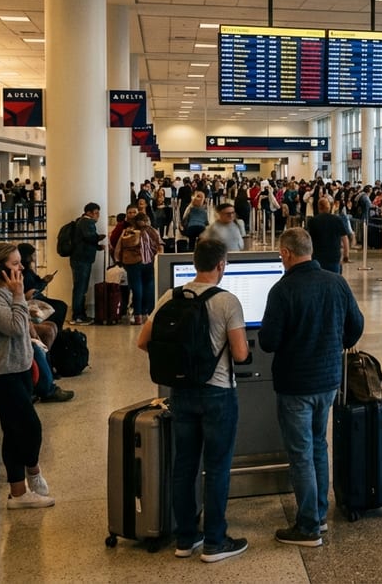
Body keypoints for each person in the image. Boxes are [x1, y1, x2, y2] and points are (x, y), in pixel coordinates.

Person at [134, 239, 250, 561]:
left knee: (184, 466)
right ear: (221, 265)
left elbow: (143, 341)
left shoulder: (170, 297)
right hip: (218, 395)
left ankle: (186, 539)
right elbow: (240, 353)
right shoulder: (228, 301)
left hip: (181, 393)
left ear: (195, 263)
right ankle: (215, 541)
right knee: (216, 468)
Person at [259, 229, 365, 548]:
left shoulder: (283, 290)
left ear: (288, 254)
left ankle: (307, 526)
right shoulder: (336, 281)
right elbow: (356, 326)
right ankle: (319, 515)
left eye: (281, 254)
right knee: (319, 444)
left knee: (301, 453)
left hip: (296, 384)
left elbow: (268, 341)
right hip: (329, 380)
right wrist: (337, 343)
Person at [0, 243, 56, 509]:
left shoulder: (3, 292)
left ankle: (18, 493)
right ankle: (33, 470)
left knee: (14, 429)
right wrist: (19, 295)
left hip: (16, 368)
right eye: (15, 264)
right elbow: (15, 327)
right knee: (30, 427)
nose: (22, 268)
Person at [117, 213, 163, 325]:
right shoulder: (151, 231)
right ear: (146, 220)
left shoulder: (128, 231)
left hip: (132, 263)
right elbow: (160, 245)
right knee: (149, 287)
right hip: (148, 262)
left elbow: (119, 246)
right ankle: (147, 314)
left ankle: (137, 316)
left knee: (137, 288)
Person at [69, 202, 105, 325]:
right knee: (80, 287)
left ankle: (80, 314)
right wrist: (99, 237)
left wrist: (97, 247)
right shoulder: (86, 222)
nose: (98, 216)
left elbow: (85, 241)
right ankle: (78, 315)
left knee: (80, 287)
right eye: (96, 213)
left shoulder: (81, 222)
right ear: (88, 213)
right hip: (82, 260)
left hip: (80, 258)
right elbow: (89, 237)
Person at [18, 243, 67, 327]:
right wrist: (44, 282)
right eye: (32, 255)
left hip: (37, 298)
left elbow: (36, 284)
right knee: (60, 306)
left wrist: (44, 281)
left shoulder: (28, 270)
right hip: (33, 299)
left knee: (60, 306)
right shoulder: (24, 272)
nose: (33, 258)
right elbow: (32, 291)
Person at [306, 197, 352, 274]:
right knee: (335, 280)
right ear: (329, 207)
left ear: (318, 207)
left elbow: (307, 240)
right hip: (334, 257)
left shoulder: (313, 221)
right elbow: (345, 239)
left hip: (317, 257)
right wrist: (346, 255)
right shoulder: (337, 220)